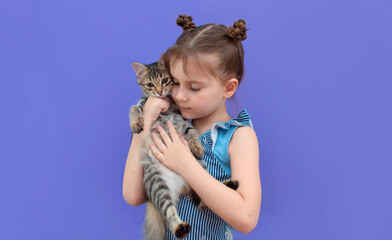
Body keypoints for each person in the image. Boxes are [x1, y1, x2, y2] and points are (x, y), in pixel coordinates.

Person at [123, 14, 261, 239]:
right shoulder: (170, 129)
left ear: (228, 88)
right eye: (175, 83)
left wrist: (186, 164)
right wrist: (146, 120)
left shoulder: (237, 137)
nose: (180, 95)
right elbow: (132, 194)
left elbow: (247, 218)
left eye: (194, 88)